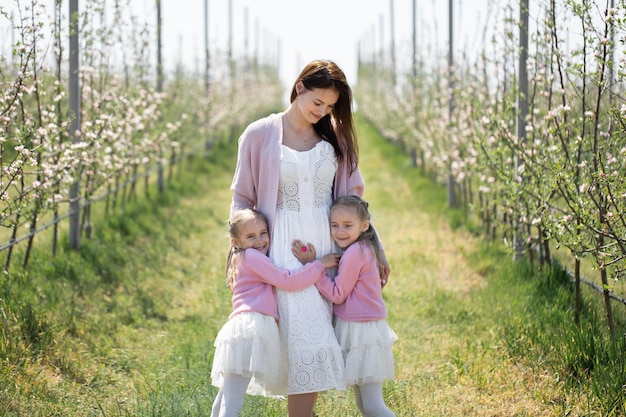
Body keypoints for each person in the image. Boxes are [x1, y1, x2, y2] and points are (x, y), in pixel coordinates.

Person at [229, 59, 389, 417]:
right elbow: (241, 198)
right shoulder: (259, 134)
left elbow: (355, 200)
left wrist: (375, 247)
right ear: (299, 87)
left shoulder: (335, 138)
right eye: (318, 102)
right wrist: (241, 253)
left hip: (330, 251)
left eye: (331, 107)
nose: (323, 112)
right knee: (298, 337)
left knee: (314, 340)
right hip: (280, 250)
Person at [210, 208, 338, 417]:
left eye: (263, 233)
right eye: (250, 236)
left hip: (241, 330)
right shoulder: (252, 257)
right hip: (252, 329)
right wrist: (318, 265)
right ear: (236, 242)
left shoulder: (243, 258)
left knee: (226, 398)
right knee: (231, 404)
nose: (260, 240)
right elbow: (288, 281)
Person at [293, 195, 397, 417]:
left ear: (364, 225)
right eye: (334, 225)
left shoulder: (355, 253)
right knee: (365, 404)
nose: (340, 231)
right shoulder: (365, 248)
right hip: (364, 327)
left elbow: (337, 294)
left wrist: (314, 267)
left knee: (373, 405)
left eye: (347, 225)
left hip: (362, 332)